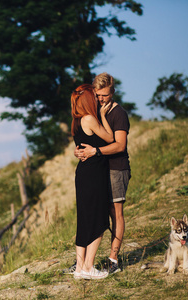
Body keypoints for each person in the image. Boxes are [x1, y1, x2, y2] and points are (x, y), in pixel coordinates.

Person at [69, 72, 131, 275]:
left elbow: (119, 145)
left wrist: (94, 151)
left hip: (116, 167)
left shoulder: (118, 113)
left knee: (115, 213)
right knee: (97, 215)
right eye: (98, 95)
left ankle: (113, 258)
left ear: (112, 92)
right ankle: (85, 264)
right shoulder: (92, 111)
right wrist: (79, 151)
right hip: (98, 169)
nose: (101, 99)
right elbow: (87, 138)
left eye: (105, 95)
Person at [70, 84, 114, 280]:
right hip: (94, 174)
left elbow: (79, 147)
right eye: (94, 97)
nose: (97, 100)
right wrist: (103, 116)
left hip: (83, 174)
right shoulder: (90, 119)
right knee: (98, 219)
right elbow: (110, 137)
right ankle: (88, 267)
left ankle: (80, 267)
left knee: (84, 220)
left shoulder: (76, 121)